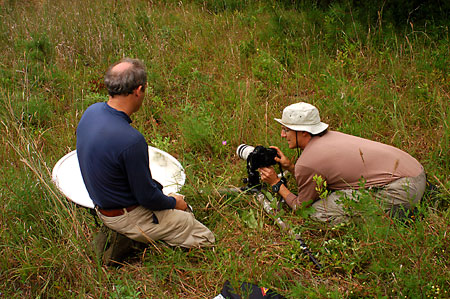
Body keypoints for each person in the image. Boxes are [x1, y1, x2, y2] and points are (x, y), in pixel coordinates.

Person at [76, 58, 215, 247]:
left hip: (103, 206)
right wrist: (175, 204)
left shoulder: (91, 112)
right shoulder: (130, 140)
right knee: (203, 237)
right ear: (139, 90)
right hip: (124, 217)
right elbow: (147, 197)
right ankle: (135, 241)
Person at [259, 102, 426, 224]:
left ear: (303, 132)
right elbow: (317, 178)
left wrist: (276, 184)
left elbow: (301, 207)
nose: (282, 134)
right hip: (416, 171)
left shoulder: (308, 162)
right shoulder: (330, 136)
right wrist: (290, 167)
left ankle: (396, 218)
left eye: (286, 130)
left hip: (404, 190)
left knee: (315, 213)